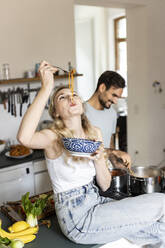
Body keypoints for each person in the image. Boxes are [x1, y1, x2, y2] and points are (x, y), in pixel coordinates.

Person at [17, 61, 165, 247]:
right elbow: (24, 137)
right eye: (62, 97)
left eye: (74, 95)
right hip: (77, 219)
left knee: (158, 231)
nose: (71, 98)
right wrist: (46, 88)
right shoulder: (53, 138)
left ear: (81, 104)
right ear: (55, 112)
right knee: (162, 203)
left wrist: (98, 160)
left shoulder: (94, 133)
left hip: (97, 201)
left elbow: (104, 184)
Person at [85, 70, 131, 168]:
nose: (115, 101)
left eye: (118, 97)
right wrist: (114, 151)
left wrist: (116, 164)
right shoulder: (81, 112)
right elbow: (83, 149)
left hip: (105, 171)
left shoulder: (112, 113)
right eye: (114, 95)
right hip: (87, 173)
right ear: (102, 88)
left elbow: (110, 143)